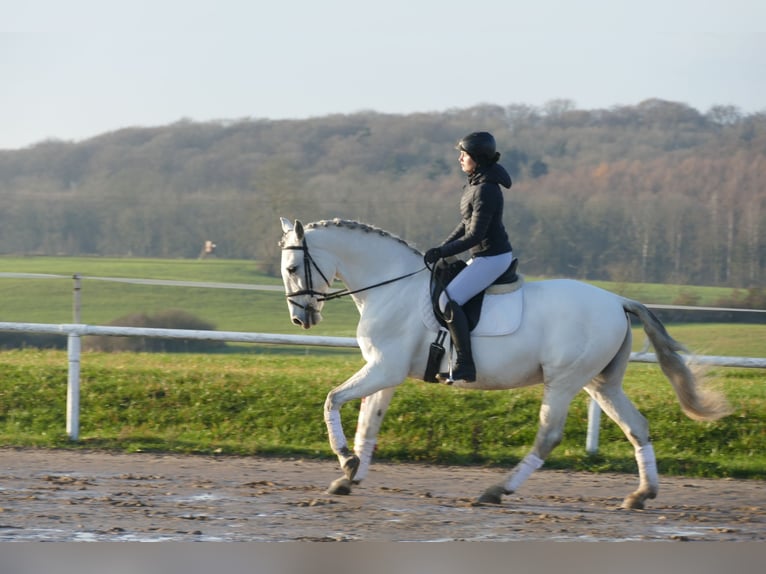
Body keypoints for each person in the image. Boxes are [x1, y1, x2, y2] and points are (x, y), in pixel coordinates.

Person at [424, 131, 513, 383]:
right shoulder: (475, 184)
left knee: (447, 300)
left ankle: (465, 364)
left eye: (464, 155)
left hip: (492, 257)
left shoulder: (486, 189)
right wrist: (441, 249)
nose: (460, 159)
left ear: (477, 158)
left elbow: (475, 235)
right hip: (484, 255)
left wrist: (443, 251)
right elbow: (464, 225)